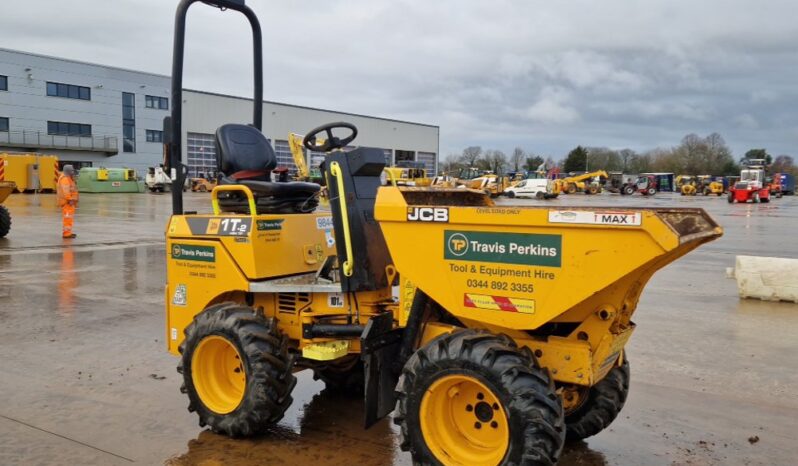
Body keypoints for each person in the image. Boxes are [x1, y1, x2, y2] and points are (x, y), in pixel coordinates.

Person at [56, 165, 79, 239]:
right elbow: (66, 191)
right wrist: (70, 199)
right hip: (67, 202)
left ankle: (68, 232)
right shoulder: (65, 179)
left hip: (69, 202)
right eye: (71, 170)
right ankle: (66, 234)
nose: (73, 172)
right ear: (68, 171)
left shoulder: (67, 178)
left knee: (69, 218)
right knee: (67, 218)